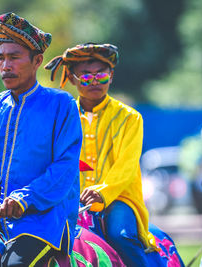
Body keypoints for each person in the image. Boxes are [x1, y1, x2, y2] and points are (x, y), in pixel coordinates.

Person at [0, 12, 82, 267]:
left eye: (14, 57)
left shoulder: (62, 105)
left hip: (41, 220)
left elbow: (65, 167)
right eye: (0, 58)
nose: (6, 65)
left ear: (37, 60)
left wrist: (24, 198)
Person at [45, 43, 155, 267]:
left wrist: (102, 192)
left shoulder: (130, 118)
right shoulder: (61, 119)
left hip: (118, 199)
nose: (94, 82)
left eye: (101, 76)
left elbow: (127, 166)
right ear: (73, 79)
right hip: (69, 200)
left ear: (111, 77)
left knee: (121, 235)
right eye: (86, 77)